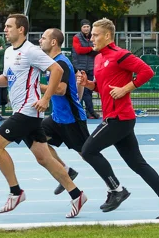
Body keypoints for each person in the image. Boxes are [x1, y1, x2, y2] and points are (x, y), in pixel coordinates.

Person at [0, 14, 88, 218]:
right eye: (4, 26)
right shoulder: (8, 53)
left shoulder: (31, 51)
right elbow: (7, 80)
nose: (4, 29)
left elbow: (56, 69)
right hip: (23, 111)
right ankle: (76, 194)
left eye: (9, 26)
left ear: (21, 29)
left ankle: (15, 192)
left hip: (28, 111)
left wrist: (46, 98)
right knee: (44, 158)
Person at [75, 18, 159, 219]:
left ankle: (117, 190)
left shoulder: (120, 55)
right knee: (137, 163)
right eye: (91, 35)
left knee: (88, 151)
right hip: (114, 117)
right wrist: (89, 84)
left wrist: (126, 88)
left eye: (96, 35)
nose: (91, 39)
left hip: (119, 118)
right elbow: (103, 86)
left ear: (107, 36)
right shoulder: (99, 58)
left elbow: (147, 71)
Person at [38, 28, 130, 212]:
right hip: (57, 118)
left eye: (43, 38)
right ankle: (66, 170)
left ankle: (117, 187)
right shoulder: (51, 63)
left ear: (54, 42)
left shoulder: (61, 64)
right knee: (35, 139)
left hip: (72, 119)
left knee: (88, 153)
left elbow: (61, 90)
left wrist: (35, 87)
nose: (40, 40)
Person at [71, 19, 99, 118]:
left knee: (89, 91)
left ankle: (89, 111)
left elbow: (97, 49)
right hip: (80, 67)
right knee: (81, 91)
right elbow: (78, 50)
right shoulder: (76, 37)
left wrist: (89, 50)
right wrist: (91, 49)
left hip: (90, 66)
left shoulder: (92, 37)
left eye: (88, 26)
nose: (86, 28)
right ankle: (85, 111)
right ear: (81, 28)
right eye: (84, 27)